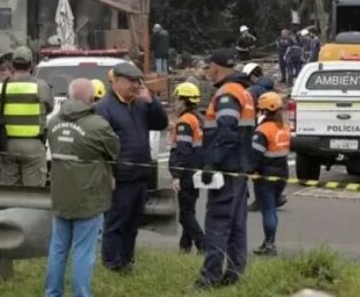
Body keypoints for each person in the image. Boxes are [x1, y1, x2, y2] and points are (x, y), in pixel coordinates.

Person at [45, 79, 120, 297]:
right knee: (83, 251)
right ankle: (81, 294)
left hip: (61, 195)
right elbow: (114, 150)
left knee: (58, 248)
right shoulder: (98, 125)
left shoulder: (53, 121)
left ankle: (52, 293)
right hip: (89, 196)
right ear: (91, 98)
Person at [97, 62, 168, 272]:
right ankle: (112, 263)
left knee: (134, 222)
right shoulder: (104, 107)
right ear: (117, 81)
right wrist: (108, 173)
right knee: (116, 221)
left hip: (141, 173)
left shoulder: (139, 104)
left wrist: (151, 101)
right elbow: (101, 145)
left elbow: (161, 123)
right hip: (121, 175)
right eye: (132, 82)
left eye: (139, 81)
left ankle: (127, 260)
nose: (137, 86)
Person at [194, 49, 254, 290]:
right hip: (239, 168)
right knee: (237, 224)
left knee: (217, 223)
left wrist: (212, 162)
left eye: (208, 68)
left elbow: (227, 132)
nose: (207, 73)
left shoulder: (227, 93)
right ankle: (235, 274)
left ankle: (210, 278)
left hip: (226, 170)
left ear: (216, 68)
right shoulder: (243, 91)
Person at [0, 46, 53, 187]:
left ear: (13, 65)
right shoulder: (40, 86)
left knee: (9, 194)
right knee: (33, 194)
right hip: (33, 145)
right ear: (31, 65)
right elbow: (49, 108)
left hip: (7, 146)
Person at [242, 63, 286, 212]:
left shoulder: (253, 91)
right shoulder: (271, 87)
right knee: (275, 163)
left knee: (256, 165)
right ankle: (276, 196)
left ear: (252, 76)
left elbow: (248, 109)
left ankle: (260, 200)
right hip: (275, 129)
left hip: (258, 129)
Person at [251, 91, 290, 257]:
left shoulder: (263, 130)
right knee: (271, 209)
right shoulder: (284, 128)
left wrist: (250, 170)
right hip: (282, 173)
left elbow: (255, 155)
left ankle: (270, 245)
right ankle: (268, 242)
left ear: (264, 110)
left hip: (265, 175)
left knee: (268, 211)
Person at [169, 82, 205, 254]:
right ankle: (185, 246)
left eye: (177, 100)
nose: (175, 104)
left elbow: (183, 150)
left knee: (184, 214)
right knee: (189, 210)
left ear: (184, 101)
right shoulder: (197, 118)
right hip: (195, 170)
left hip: (186, 173)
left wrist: (176, 174)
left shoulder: (184, 122)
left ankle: (202, 243)